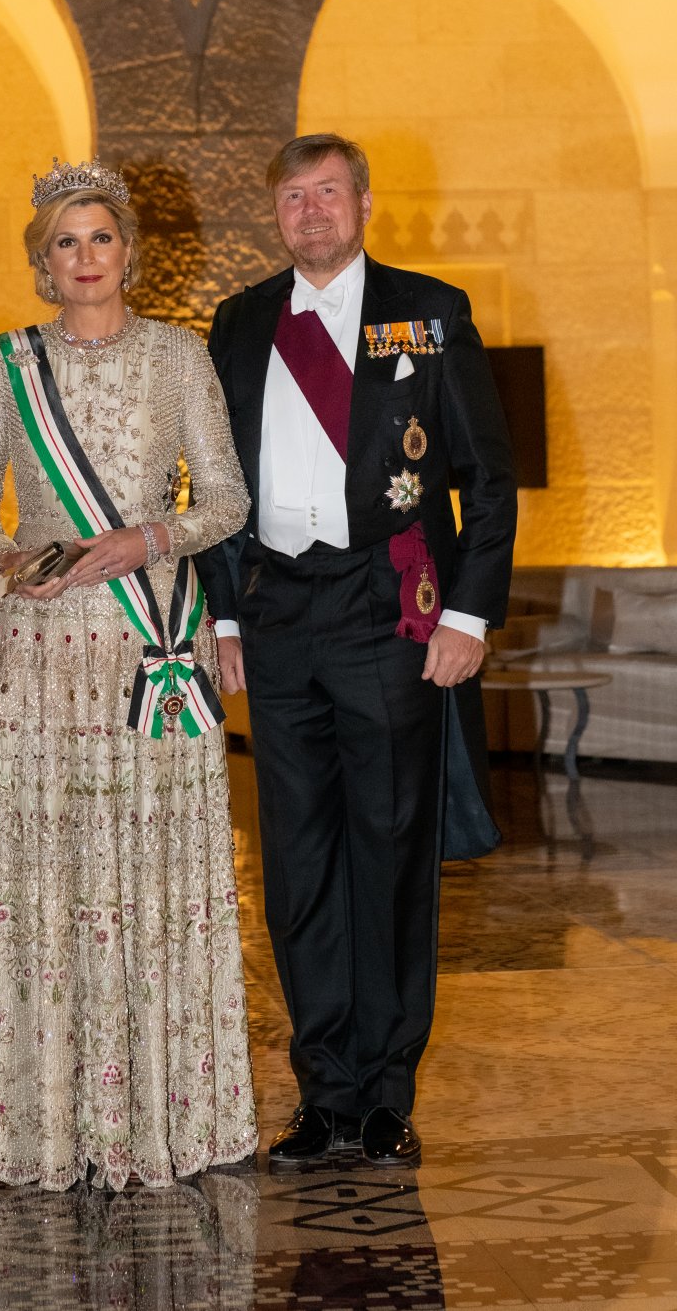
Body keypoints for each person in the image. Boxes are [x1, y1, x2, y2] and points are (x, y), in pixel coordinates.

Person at [197, 133, 517, 1168]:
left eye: (328, 193)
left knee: (388, 850)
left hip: (390, 607)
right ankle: (324, 1091)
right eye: (294, 197)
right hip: (280, 613)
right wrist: (226, 616)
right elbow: (212, 487)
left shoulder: (430, 310)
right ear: (278, 213)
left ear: (364, 203)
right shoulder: (242, 321)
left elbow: (488, 477)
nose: (311, 212)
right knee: (297, 864)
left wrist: (467, 617)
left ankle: (385, 1090)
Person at [0, 158, 258, 1191]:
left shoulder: (179, 357)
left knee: (146, 861)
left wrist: (148, 538)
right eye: (63, 243)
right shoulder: (8, 360)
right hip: (38, 647)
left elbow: (227, 499)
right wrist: (5, 562)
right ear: (42, 262)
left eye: (101, 238)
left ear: (129, 249)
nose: (85, 258)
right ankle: (39, 1112)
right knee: (50, 864)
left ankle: (165, 1108)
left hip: (146, 638)